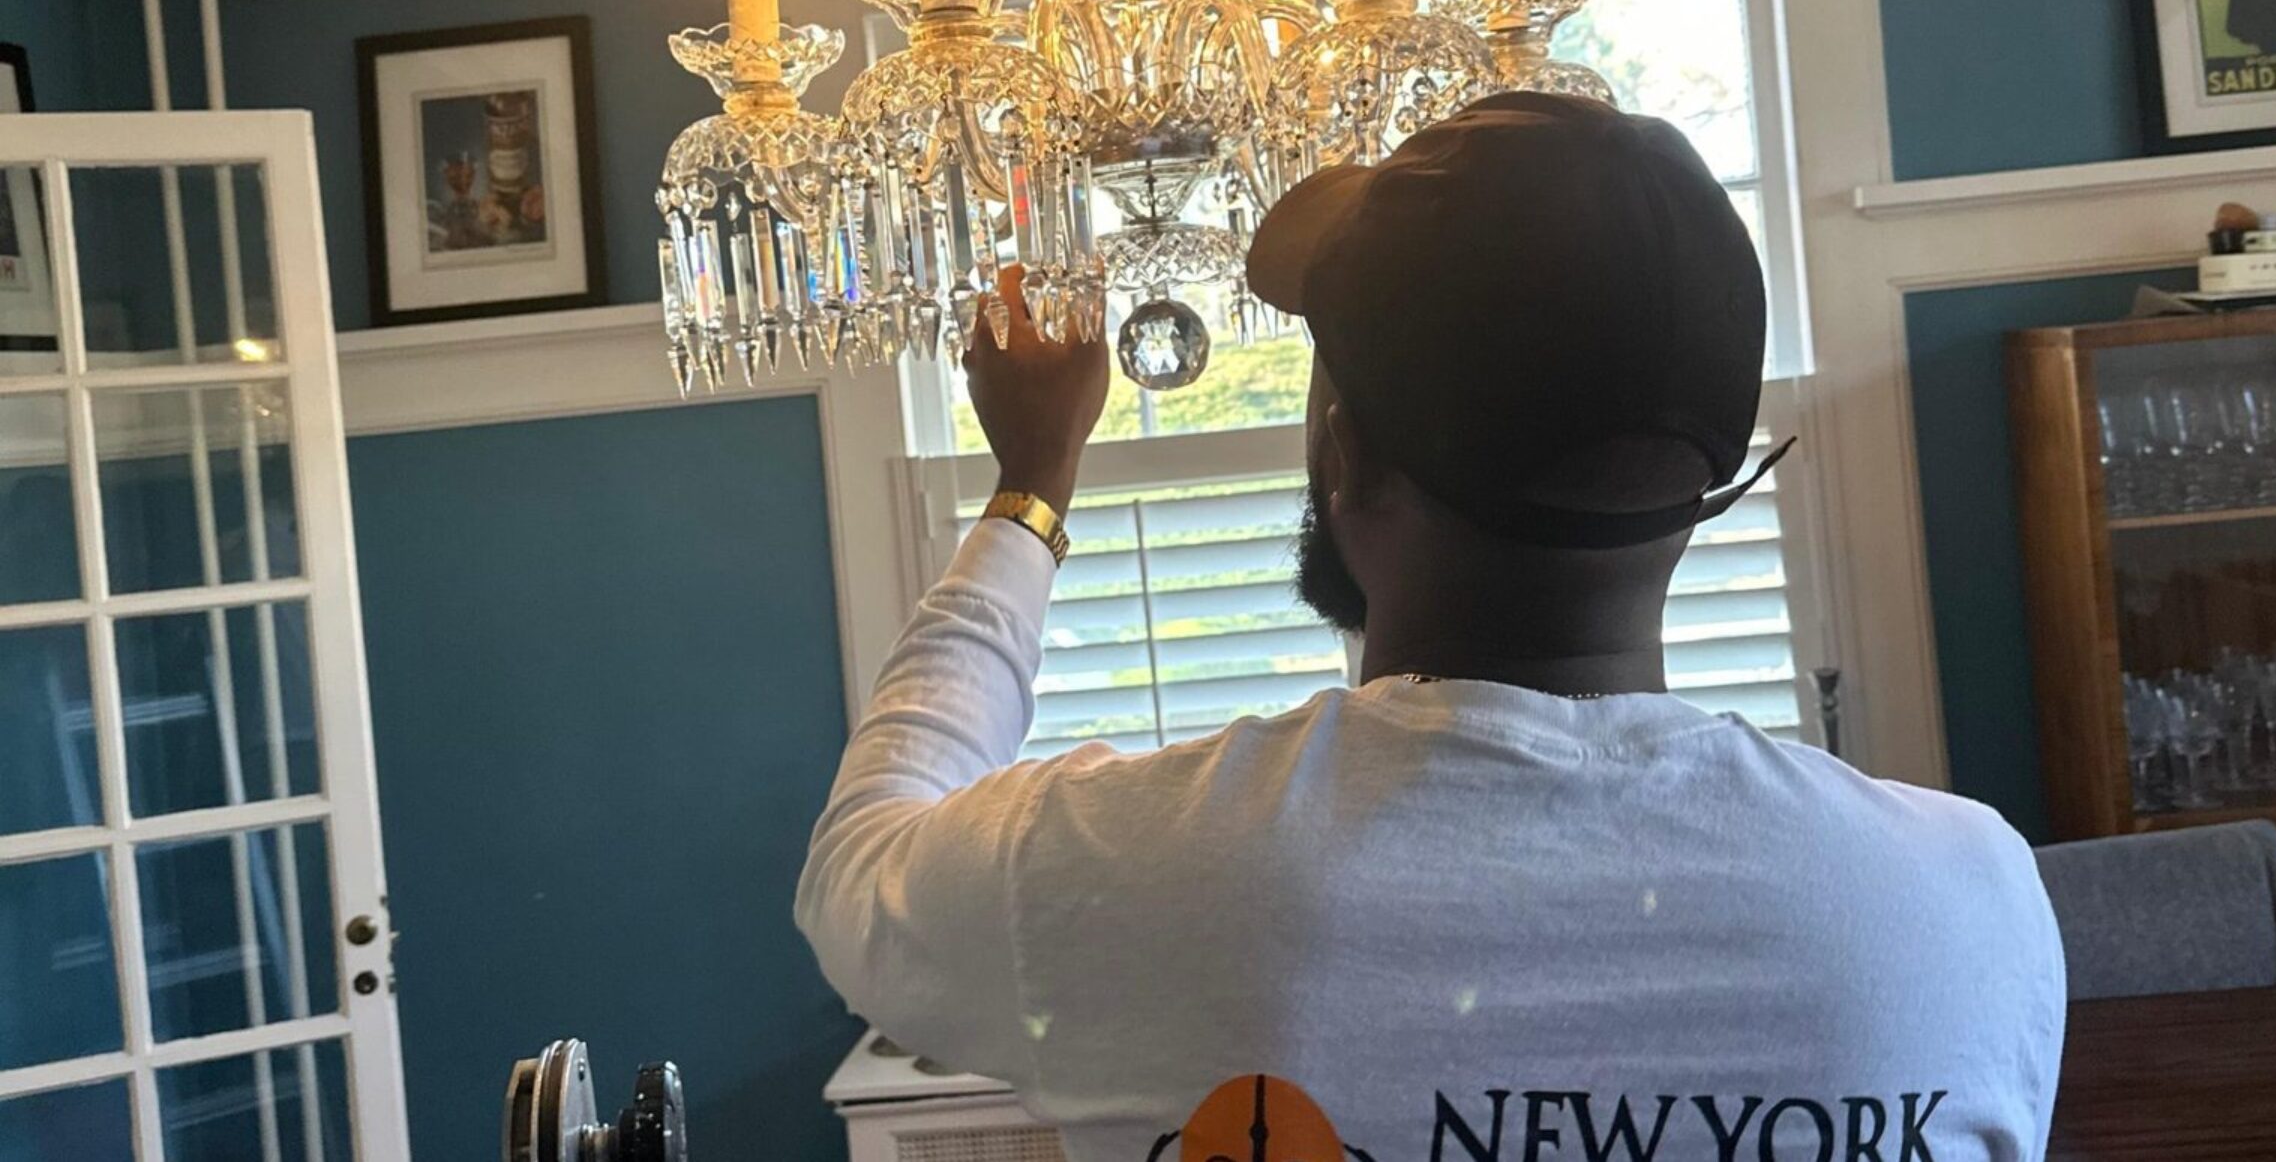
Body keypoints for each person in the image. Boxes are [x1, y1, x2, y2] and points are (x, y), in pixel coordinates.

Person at [798, 93, 2065, 1162]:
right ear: (1703, 494)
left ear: (1343, 459)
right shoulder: (1970, 903)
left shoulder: (1126, 874)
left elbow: (857, 871)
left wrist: (1030, 490)